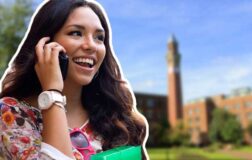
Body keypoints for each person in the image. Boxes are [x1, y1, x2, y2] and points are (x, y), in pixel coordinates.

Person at [0, 0, 149, 159]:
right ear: (44, 44)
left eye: (99, 37)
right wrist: (52, 93)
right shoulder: (11, 114)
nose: (91, 45)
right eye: (76, 33)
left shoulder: (115, 114)